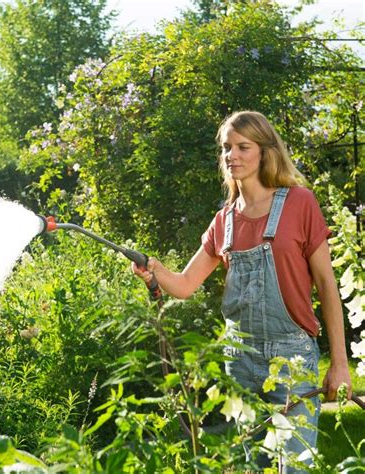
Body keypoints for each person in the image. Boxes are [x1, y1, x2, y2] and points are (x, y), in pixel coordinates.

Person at [132, 110, 352, 472]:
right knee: (251, 465)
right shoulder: (225, 220)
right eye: (226, 148)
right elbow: (186, 285)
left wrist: (340, 365)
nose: (231, 155)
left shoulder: (300, 204)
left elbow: (327, 286)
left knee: (293, 466)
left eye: (242, 147)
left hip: (291, 358)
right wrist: (155, 270)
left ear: (265, 151)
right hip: (240, 359)